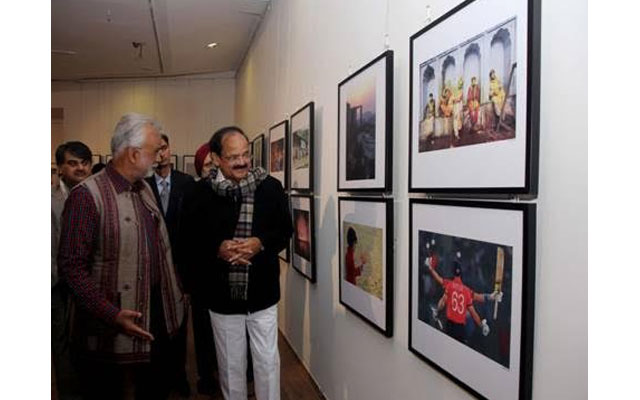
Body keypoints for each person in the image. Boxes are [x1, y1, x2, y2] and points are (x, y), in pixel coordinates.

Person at [58, 113, 186, 400]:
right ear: (134, 154)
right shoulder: (86, 196)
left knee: (152, 388)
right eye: (155, 151)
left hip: (152, 314)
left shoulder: (144, 189)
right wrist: (111, 314)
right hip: (109, 327)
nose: (160, 157)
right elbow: (71, 268)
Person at [182, 126, 292, 400]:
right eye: (233, 157)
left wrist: (259, 243)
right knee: (230, 366)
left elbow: (284, 231)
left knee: (267, 362)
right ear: (216, 158)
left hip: (263, 293)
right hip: (220, 296)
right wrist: (216, 248)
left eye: (245, 154)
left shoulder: (270, 187)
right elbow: (188, 240)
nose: (242, 162)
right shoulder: (199, 193)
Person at [145, 133, 195, 397]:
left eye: (163, 148)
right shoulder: (142, 186)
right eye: (155, 150)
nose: (160, 154)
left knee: (180, 325)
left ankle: (179, 376)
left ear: (169, 148)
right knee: (156, 325)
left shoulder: (187, 183)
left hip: (181, 265)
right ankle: (159, 379)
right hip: (154, 265)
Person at [52, 141, 93, 399]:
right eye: (73, 163)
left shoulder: (96, 195)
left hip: (91, 284)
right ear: (60, 168)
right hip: (59, 286)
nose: (80, 168)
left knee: (88, 342)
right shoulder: (50, 202)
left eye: (85, 163)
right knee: (62, 344)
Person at [426, 257, 501, 344]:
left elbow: (439, 282)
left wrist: (431, 269)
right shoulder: (467, 291)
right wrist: (491, 297)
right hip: (460, 328)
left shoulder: (449, 285)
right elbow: (476, 307)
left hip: (449, 325)